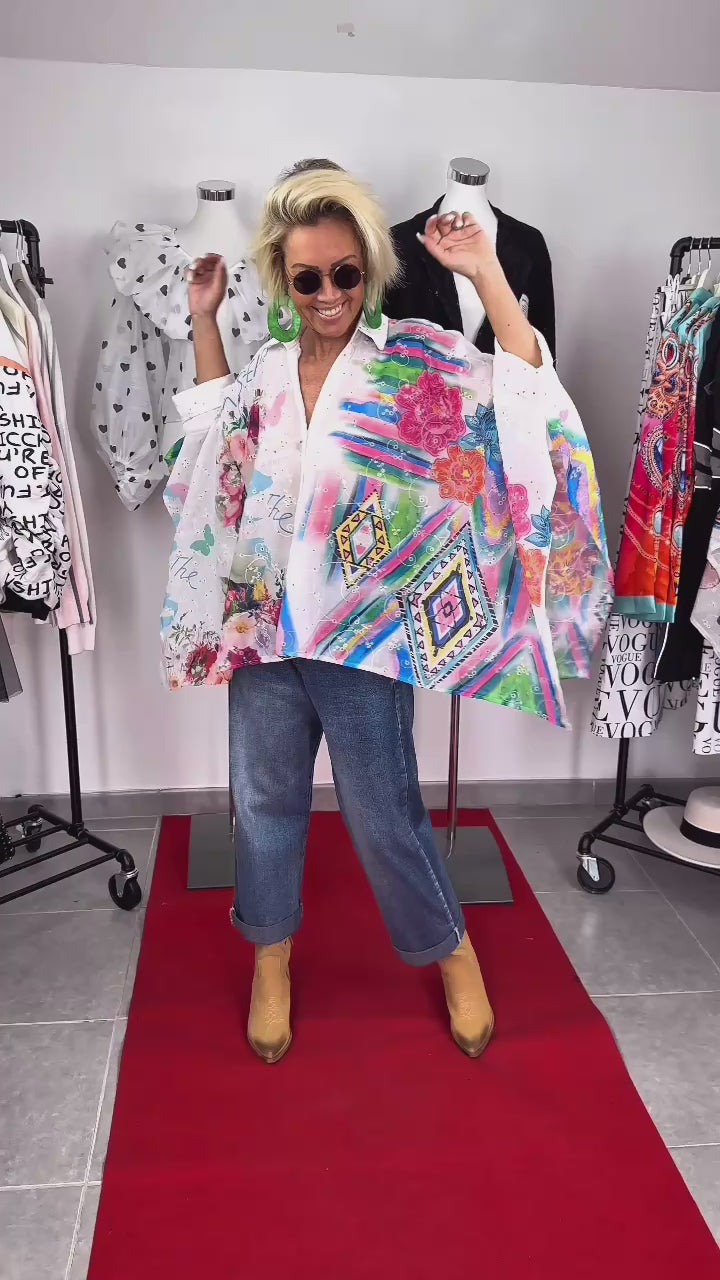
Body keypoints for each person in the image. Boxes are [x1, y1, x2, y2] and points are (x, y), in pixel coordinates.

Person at [165, 159, 605, 1065]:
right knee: (264, 800)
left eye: (346, 272)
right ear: (283, 281)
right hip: (262, 622)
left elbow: (522, 387)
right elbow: (211, 439)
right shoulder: (266, 369)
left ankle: (449, 950)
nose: (329, 293)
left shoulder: (413, 356)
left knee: (384, 810)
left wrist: (484, 272)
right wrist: (203, 320)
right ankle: (271, 956)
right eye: (308, 278)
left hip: (363, 632)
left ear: (369, 267)